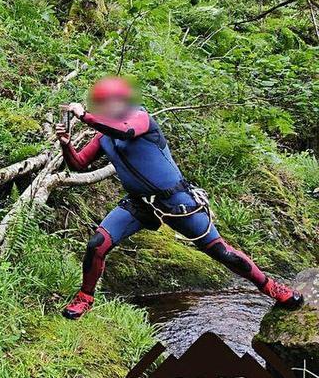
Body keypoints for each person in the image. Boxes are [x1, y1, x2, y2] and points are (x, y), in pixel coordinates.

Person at [56, 77, 304, 320]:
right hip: (140, 203)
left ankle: (271, 287)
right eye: (103, 103)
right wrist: (67, 145)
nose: (108, 107)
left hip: (177, 201)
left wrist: (85, 116)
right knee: (97, 244)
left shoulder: (140, 117)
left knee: (222, 253)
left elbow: (126, 131)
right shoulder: (103, 135)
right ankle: (85, 297)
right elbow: (78, 163)